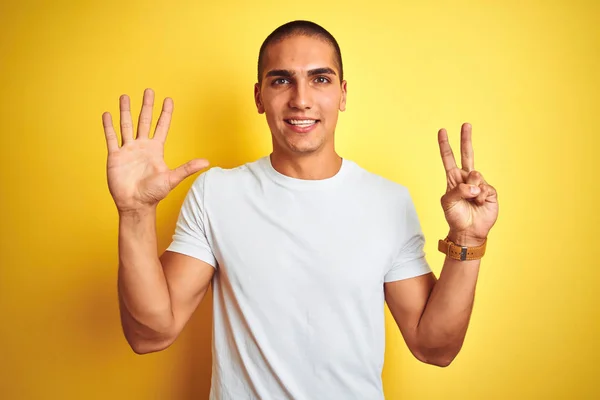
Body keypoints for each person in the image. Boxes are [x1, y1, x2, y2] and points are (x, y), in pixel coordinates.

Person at [101, 20, 498, 400]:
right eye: (282, 80)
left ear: (342, 94)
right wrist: (135, 214)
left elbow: (435, 348)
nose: (301, 99)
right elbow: (150, 334)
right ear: (259, 96)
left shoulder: (387, 201)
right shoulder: (216, 193)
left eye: (320, 79)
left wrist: (469, 239)